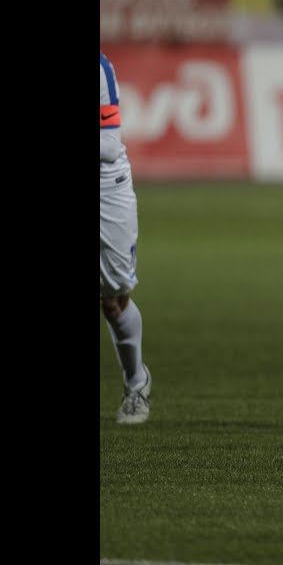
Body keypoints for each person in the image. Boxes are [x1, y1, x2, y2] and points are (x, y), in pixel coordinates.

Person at [101, 52, 152, 424]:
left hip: (107, 189)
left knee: (113, 301)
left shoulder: (100, 69)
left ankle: (137, 382)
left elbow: (107, 145)